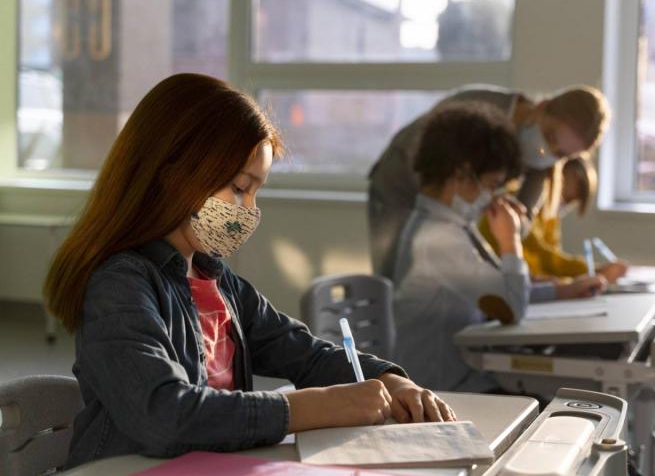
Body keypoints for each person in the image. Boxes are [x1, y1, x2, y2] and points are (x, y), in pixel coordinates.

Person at [44, 73, 455, 469]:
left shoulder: (220, 283)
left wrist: (389, 379)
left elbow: (305, 353)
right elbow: (163, 415)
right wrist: (310, 406)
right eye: (240, 188)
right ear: (174, 174)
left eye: (255, 192)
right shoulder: (120, 284)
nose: (249, 211)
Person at [391, 102, 606, 393]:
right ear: (463, 175)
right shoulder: (437, 239)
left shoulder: (454, 226)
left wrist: (563, 290)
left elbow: (499, 289)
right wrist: (510, 240)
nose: (492, 197)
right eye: (492, 185)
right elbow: (511, 306)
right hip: (443, 389)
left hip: (465, 377)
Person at [368, 84, 611, 280]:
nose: (547, 152)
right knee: (395, 278)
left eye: (561, 155)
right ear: (542, 107)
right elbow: (425, 161)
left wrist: (512, 228)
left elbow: (521, 220)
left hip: (445, 208)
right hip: (399, 186)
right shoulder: (478, 110)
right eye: (549, 137)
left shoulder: (542, 163)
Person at [480, 156, 628, 282]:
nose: (568, 204)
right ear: (571, 175)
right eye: (571, 198)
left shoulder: (550, 214)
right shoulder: (515, 204)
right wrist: (596, 271)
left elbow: (551, 259)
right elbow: (545, 256)